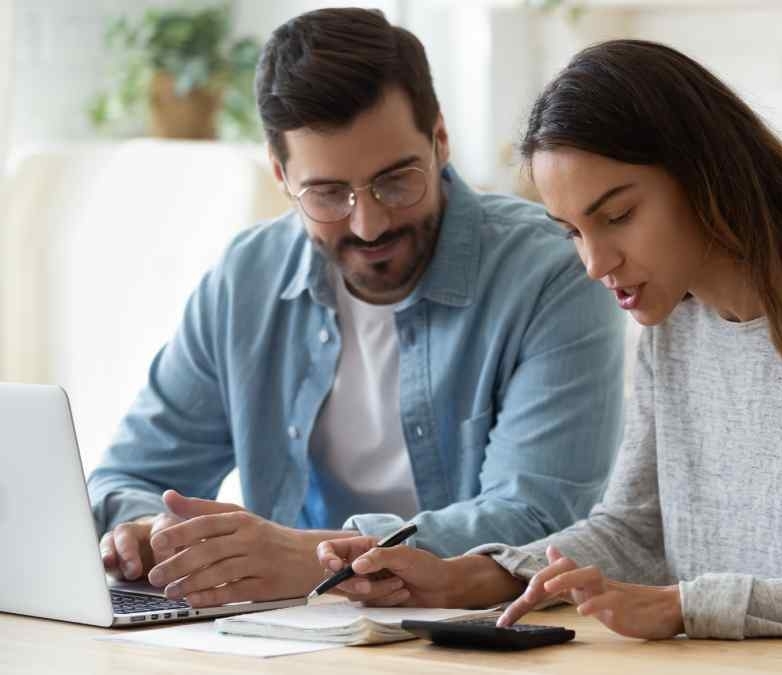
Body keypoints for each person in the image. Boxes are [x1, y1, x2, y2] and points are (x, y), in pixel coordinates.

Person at [314, 39, 782, 647]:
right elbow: (638, 529)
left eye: (617, 215)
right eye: (572, 231)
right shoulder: (674, 321)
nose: (596, 263)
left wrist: (686, 605)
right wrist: (470, 573)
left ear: (702, 174)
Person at [87, 8, 625, 608]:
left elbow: (539, 517)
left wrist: (309, 556)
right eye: (327, 194)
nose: (368, 223)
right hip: (284, 634)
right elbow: (125, 478)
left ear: (440, 140)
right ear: (281, 174)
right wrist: (151, 535)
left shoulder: (552, 272)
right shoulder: (247, 280)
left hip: (472, 630)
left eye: (396, 181)